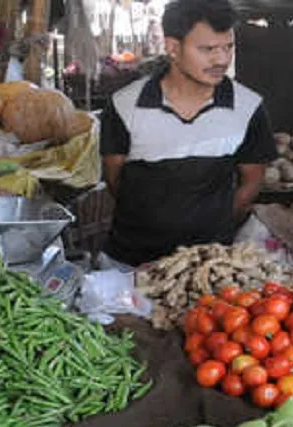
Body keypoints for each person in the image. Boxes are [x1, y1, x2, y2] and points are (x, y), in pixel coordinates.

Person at [100, 0, 277, 266]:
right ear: (172, 47)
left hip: (211, 266)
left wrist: (215, 223)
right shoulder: (124, 105)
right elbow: (115, 180)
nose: (222, 59)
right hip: (129, 263)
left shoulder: (249, 107)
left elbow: (251, 182)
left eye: (228, 47)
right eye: (208, 49)